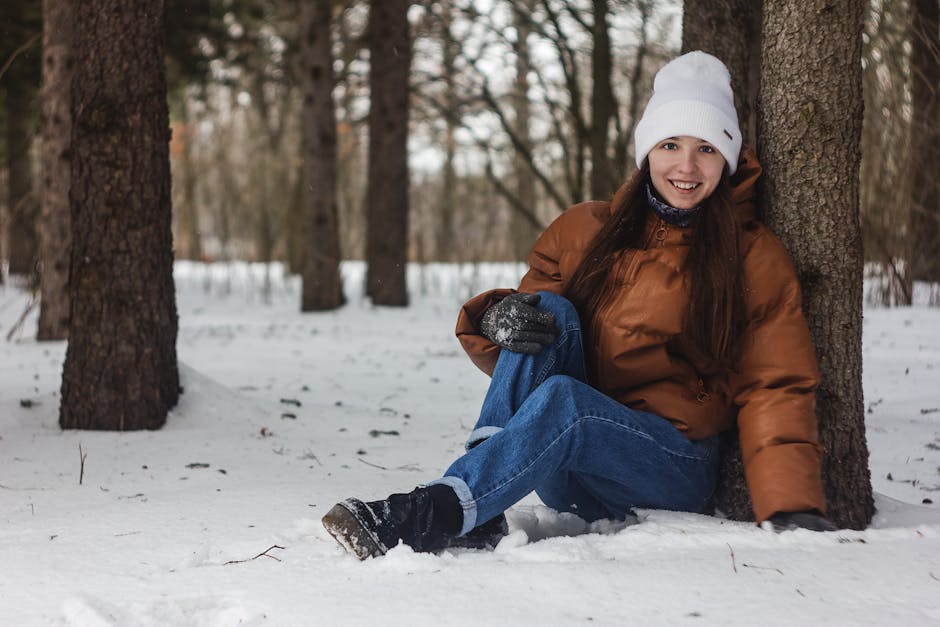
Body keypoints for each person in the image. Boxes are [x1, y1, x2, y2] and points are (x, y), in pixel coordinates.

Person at [322, 51, 837, 560]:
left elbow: (776, 381)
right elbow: (525, 352)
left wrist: (790, 505)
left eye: (706, 148)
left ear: (725, 159)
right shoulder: (586, 229)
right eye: (671, 144)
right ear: (646, 152)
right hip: (565, 465)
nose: (686, 165)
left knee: (568, 400)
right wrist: (499, 319)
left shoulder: (751, 255)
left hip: (668, 468)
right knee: (547, 313)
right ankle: (482, 502)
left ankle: (442, 511)